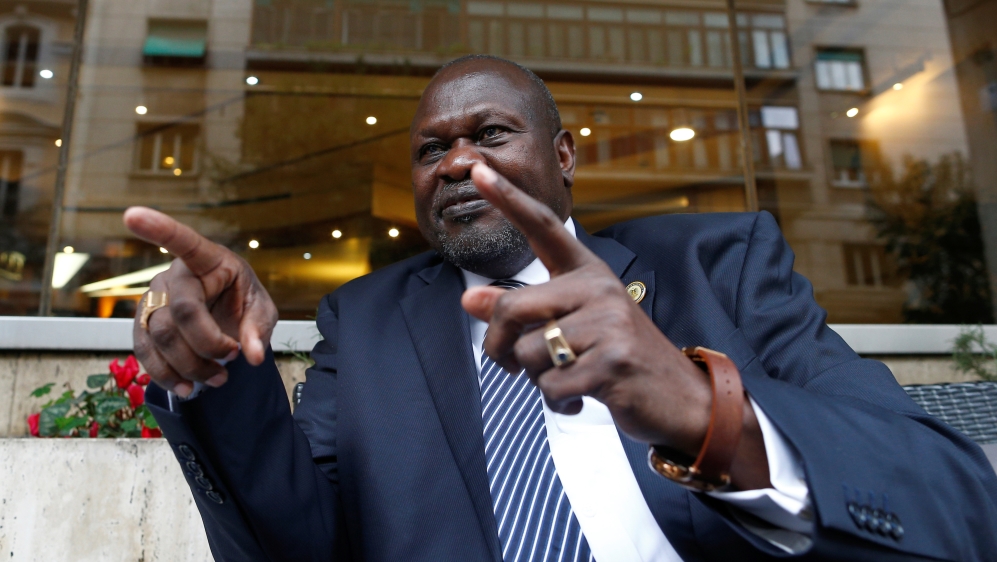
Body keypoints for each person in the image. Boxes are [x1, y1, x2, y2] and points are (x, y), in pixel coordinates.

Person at [125, 55, 997, 561]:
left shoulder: (717, 264)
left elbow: (953, 501)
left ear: (565, 155)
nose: (457, 163)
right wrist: (217, 375)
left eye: (490, 134)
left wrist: (707, 413)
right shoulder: (367, 320)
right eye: (432, 149)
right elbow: (298, 543)